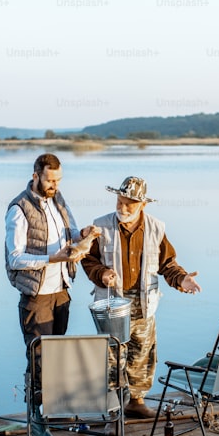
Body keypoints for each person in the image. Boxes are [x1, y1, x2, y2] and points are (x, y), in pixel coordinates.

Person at [82, 176, 202, 420]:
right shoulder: (100, 226)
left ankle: (136, 403)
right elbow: (87, 259)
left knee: (142, 354)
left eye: (129, 204)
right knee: (112, 356)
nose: (122, 208)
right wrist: (102, 273)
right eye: (120, 201)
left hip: (144, 303)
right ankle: (113, 407)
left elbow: (167, 264)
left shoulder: (156, 227)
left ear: (143, 205)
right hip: (112, 303)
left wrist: (182, 280)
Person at [5, 153, 94, 436]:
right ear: (36, 175)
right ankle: (36, 427)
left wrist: (82, 235)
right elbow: (14, 258)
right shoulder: (19, 209)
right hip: (37, 298)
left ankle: (52, 416)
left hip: (61, 293)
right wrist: (50, 259)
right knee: (39, 361)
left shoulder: (58, 201)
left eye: (58, 180)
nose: (55, 185)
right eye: (50, 180)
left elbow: (67, 234)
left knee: (56, 360)